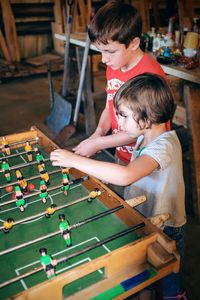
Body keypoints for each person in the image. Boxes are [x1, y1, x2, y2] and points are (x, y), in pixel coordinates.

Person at [50, 73, 187, 299]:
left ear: (147, 117)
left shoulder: (164, 146)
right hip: (147, 216)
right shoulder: (146, 135)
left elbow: (126, 175)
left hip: (167, 226)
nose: (119, 122)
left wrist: (73, 160)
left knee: (169, 276)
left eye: (123, 115)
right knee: (146, 271)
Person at [73, 0, 168, 165]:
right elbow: (110, 106)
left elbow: (142, 128)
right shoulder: (115, 65)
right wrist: (99, 133)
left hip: (146, 159)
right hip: (122, 153)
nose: (104, 59)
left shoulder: (149, 76)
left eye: (110, 51)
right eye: (100, 51)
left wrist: (99, 143)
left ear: (133, 44)